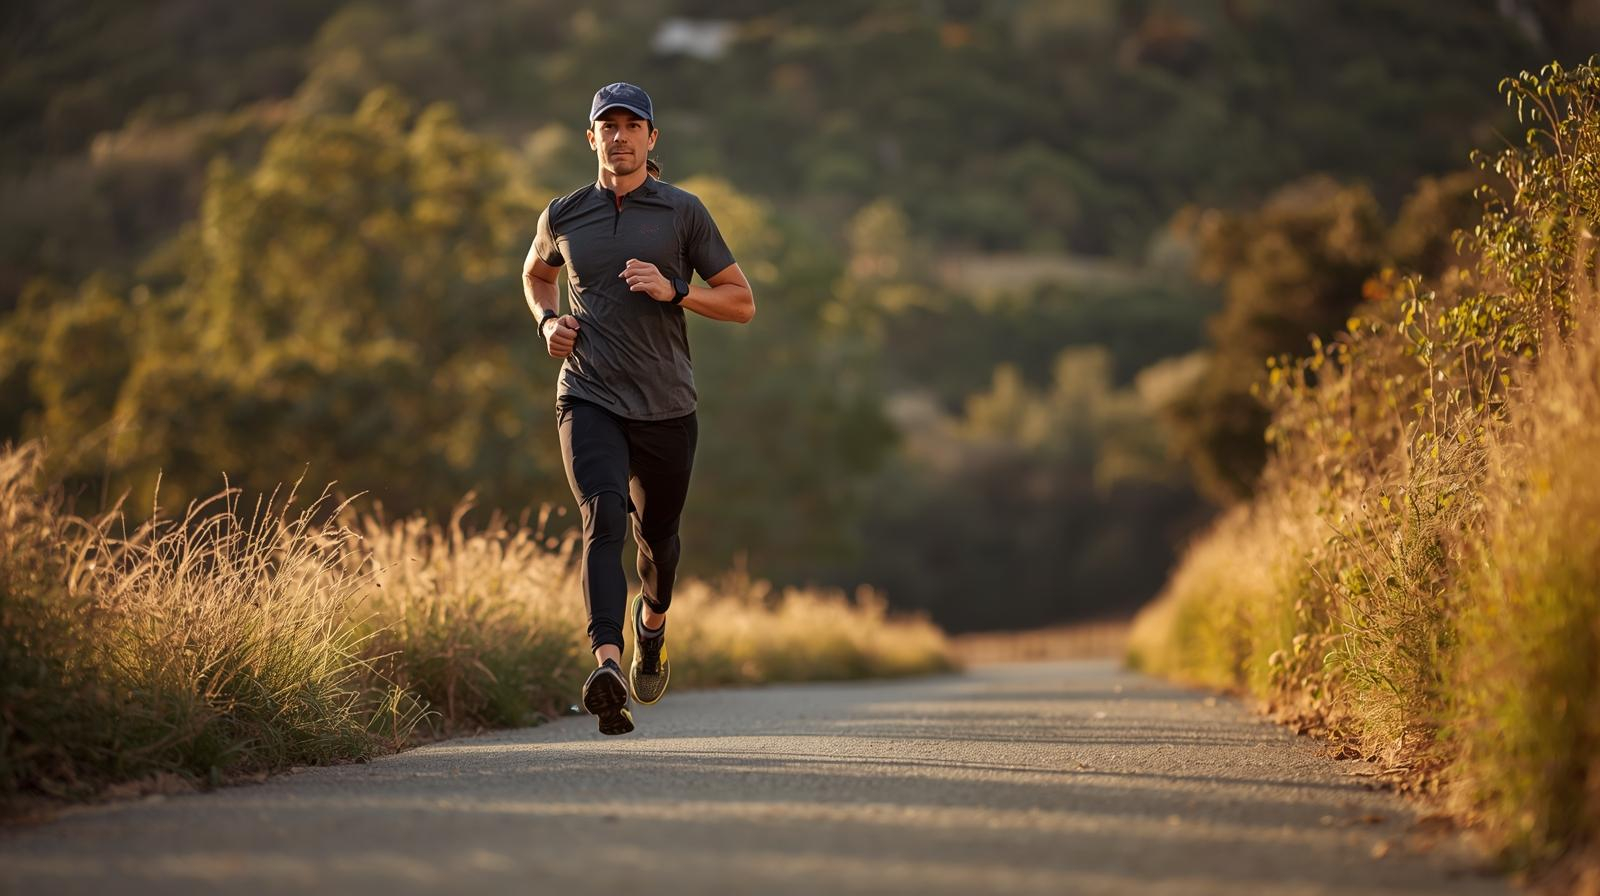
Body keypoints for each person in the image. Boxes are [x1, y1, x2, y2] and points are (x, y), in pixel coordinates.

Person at [522, 82, 755, 735]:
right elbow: (536, 273)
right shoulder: (563, 214)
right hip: (588, 391)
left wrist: (675, 289)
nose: (619, 136)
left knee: (659, 543)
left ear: (652, 139)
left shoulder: (683, 213)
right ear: (590, 137)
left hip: (665, 405)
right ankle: (608, 665)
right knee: (603, 519)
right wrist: (546, 322)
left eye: (633, 125)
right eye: (608, 125)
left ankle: (651, 629)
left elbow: (740, 302)